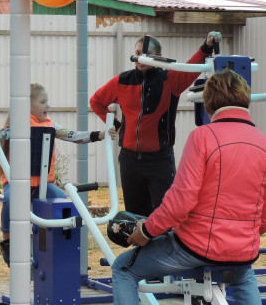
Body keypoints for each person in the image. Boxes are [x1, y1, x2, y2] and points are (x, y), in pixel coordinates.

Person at [98, 69, 266, 305]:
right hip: (242, 249)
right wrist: (241, 235)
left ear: (209, 102)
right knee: (243, 274)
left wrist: (146, 230)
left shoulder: (203, 137)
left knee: (123, 269)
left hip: (194, 247)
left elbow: (181, 201)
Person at [89, 32, 220, 215]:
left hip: (160, 160)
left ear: (158, 56)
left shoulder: (170, 79)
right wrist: (118, 127)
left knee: (165, 214)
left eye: (147, 54)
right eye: (137, 53)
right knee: (135, 216)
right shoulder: (122, 80)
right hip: (130, 160)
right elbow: (96, 102)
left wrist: (206, 47)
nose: (141, 58)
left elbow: (191, 66)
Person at [0, 83, 106, 264]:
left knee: (61, 199)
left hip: (43, 183)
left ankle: (61, 237)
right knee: (10, 200)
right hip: (17, 183)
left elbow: (73, 135)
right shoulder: (18, 126)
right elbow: (0, 135)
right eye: (42, 102)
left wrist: (99, 135)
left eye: (47, 101)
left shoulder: (51, 125)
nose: (47, 105)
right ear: (27, 105)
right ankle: (7, 240)